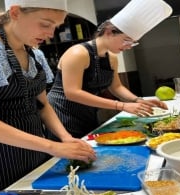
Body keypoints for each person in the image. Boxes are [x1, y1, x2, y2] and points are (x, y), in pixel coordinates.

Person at [0, 0, 96, 195]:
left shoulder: (35, 54)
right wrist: (53, 147)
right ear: (15, 12)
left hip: (31, 149)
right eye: (45, 24)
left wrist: (65, 138)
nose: (51, 34)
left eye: (55, 27)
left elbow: (43, 106)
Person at [47, 0, 173, 140]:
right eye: (126, 40)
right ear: (109, 32)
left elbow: (117, 87)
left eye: (132, 43)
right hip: (62, 114)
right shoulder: (78, 53)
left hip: (88, 111)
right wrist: (121, 105)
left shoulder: (111, 58)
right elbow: (72, 93)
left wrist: (138, 100)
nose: (129, 46)